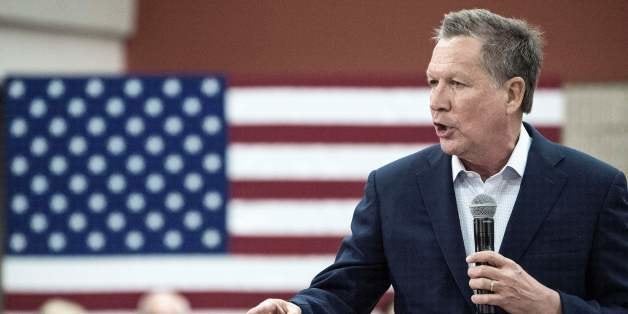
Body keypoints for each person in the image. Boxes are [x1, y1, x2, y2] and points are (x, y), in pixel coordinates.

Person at [247, 8, 628, 314]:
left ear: (513, 94)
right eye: (433, 82)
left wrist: (553, 306)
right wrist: (296, 310)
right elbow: (344, 292)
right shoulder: (394, 188)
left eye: (457, 84)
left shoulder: (594, 188)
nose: (437, 101)